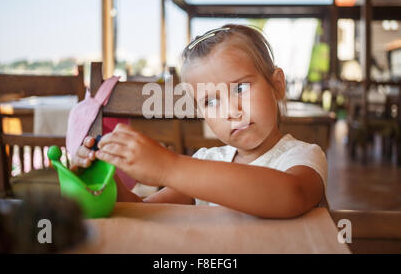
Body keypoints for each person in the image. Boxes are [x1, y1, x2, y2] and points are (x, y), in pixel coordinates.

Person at [70, 24, 328, 218]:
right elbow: (143, 211)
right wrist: (102, 178)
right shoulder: (207, 161)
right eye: (211, 101)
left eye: (240, 88)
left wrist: (167, 167)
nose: (231, 110)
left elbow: (291, 196)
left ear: (277, 84)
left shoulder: (302, 157)